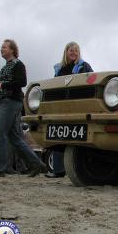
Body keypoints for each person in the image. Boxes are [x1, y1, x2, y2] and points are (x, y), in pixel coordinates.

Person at [0, 39, 42, 177]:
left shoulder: (18, 64)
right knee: (15, 138)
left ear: (12, 50)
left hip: (11, 102)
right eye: (1, 47)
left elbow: (22, 82)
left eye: (4, 47)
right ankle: (37, 164)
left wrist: (1, 86)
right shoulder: (4, 67)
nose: (1, 49)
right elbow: (0, 84)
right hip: (6, 101)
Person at [45, 42, 93, 178]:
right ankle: (58, 169)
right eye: (71, 50)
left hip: (78, 105)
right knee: (57, 135)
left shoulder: (85, 66)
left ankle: (80, 170)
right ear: (66, 52)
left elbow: (91, 83)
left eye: (76, 51)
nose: (73, 53)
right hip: (61, 105)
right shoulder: (59, 69)